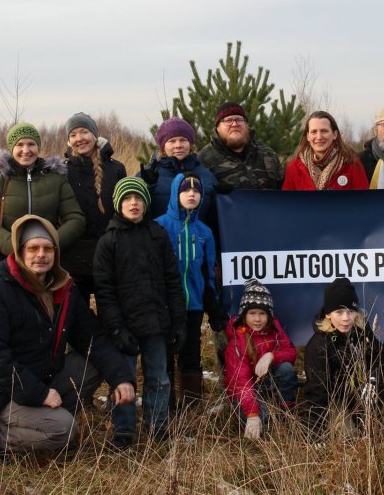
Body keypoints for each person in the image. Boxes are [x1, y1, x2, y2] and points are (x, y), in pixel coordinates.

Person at [0, 215, 135, 458]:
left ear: (55, 252)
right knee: (64, 429)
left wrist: (121, 378)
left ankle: (40, 425)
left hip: (39, 377)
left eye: (47, 248)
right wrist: (40, 394)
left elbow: (93, 339)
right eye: (33, 248)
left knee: (92, 365)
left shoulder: (62, 289)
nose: (40, 254)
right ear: (20, 251)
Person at [93, 176, 187, 447]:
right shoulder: (108, 241)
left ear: (145, 204)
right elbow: (104, 291)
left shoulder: (158, 235)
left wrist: (178, 321)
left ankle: (157, 426)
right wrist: (115, 327)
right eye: (127, 199)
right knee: (124, 379)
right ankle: (123, 429)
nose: (133, 203)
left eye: (138, 199)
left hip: (156, 323)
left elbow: (172, 280)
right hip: (123, 325)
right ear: (118, 204)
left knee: (159, 378)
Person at [155, 172, 228, 408]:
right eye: (186, 190)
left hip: (193, 306)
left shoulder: (204, 232)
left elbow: (208, 274)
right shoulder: (159, 226)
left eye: (197, 191)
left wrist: (214, 309)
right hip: (165, 305)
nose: (192, 194)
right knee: (164, 357)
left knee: (191, 355)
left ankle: (191, 410)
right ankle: (166, 409)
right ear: (176, 194)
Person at [0, 122, 85, 270]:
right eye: (19, 144)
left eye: (31, 144)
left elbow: (76, 219)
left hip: (45, 263)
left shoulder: (55, 177)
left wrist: (48, 246)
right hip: (6, 261)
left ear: (38, 147)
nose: (25, 150)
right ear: (11, 147)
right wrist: (15, 247)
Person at [301, 277, 384, 435]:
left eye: (351, 311)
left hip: (362, 396)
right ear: (328, 314)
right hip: (336, 401)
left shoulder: (362, 331)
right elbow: (316, 393)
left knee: (378, 430)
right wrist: (314, 435)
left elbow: (376, 360)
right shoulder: (319, 345)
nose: (346, 318)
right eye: (339, 312)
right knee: (346, 435)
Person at [61, 112, 127, 302]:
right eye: (73, 135)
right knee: (77, 316)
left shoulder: (116, 169)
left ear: (95, 135)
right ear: (68, 142)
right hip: (74, 256)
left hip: (109, 252)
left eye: (84, 132)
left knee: (110, 312)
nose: (79, 139)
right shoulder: (62, 171)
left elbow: (123, 211)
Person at [223, 279, 299, 439]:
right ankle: (261, 419)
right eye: (252, 313)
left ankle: (287, 414)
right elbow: (241, 382)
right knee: (262, 419)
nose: (257, 319)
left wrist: (271, 356)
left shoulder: (275, 330)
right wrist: (252, 414)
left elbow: (291, 352)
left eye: (262, 314)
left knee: (286, 369)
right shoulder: (238, 341)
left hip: (267, 385)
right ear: (244, 314)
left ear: (269, 315)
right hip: (244, 393)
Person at [139, 116, 218, 222]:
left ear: (190, 144)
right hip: (160, 237)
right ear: (163, 147)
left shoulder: (206, 176)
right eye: (172, 141)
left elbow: (216, 219)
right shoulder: (148, 176)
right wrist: (149, 186)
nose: (178, 145)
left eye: (183, 140)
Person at [198, 101, 284, 191]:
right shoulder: (204, 159)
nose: (235, 124)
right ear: (218, 127)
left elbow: (284, 191)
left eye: (239, 120)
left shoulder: (267, 153)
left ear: (247, 125)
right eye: (228, 120)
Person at [283, 111, 369, 191]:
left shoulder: (352, 165)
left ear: (334, 134)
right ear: (308, 136)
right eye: (314, 132)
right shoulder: (293, 168)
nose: (319, 137)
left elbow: (362, 202)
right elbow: (288, 204)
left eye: (324, 131)